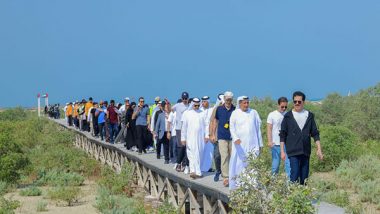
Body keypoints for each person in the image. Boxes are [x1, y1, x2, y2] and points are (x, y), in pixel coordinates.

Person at [280, 91, 324, 185]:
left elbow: (315, 133)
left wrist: (319, 149)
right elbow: (282, 135)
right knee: (294, 174)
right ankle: (292, 197)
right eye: (295, 101)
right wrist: (282, 151)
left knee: (304, 177)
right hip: (293, 151)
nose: (297, 103)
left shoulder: (309, 115)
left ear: (303, 102)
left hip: (305, 150)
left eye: (299, 102)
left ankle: (302, 198)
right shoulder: (288, 116)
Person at [229, 96, 263, 190]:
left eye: (247, 103)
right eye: (244, 103)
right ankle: (240, 183)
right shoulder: (235, 113)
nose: (246, 105)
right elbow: (231, 127)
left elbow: (257, 129)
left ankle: (253, 184)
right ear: (240, 104)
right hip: (240, 145)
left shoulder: (253, 112)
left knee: (253, 162)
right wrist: (235, 138)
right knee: (240, 164)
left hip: (253, 144)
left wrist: (260, 144)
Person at [212, 91, 235, 187]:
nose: (228, 101)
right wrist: (212, 134)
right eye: (227, 99)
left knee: (233, 157)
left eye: (230, 99)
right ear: (224, 99)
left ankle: (233, 176)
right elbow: (215, 121)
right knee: (224, 156)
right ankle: (225, 177)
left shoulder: (235, 109)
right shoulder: (219, 109)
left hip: (232, 137)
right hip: (221, 136)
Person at [181, 98, 207, 179]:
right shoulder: (187, 114)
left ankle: (194, 170)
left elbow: (206, 125)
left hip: (200, 138)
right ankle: (195, 171)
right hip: (190, 138)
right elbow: (184, 127)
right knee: (191, 154)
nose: (197, 107)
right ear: (192, 105)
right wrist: (183, 138)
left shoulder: (202, 113)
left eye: (198, 105)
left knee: (199, 154)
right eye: (195, 105)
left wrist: (207, 136)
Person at [267, 97, 291, 177]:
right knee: (275, 165)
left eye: (285, 107)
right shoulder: (272, 115)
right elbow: (269, 128)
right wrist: (270, 141)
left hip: (287, 143)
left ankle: (290, 184)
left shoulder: (288, 115)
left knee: (288, 164)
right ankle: (274, 183)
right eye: (282, 106)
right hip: (276, 143)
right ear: (278, 105)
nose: (284, 108)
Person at [172, 92, 190, 172]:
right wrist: (168, 105)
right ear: (181, 98)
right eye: (183, 98)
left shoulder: (190, 106)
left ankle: (184, 164)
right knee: (181, 147)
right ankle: (179, 163)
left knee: (187, 147)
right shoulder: (178, 105)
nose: (185, 100)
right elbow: (170, 110)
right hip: (179, 128)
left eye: (186, 98)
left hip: (187, 129)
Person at [209, 94, 223, 182]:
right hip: (218, 136)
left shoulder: (232, 109)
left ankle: (226, 174)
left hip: (228, 137)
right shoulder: (216, 109)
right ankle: (218, 170)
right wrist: (211, 134)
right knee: (217, 155)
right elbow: (212, 122)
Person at [200, 96, 214, 172]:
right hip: (201, 134)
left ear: (208, 102)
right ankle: (200, 167)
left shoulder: (211, 110)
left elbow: (210, 123)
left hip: (209, 134)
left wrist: (208, 135)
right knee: (201, 151)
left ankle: (207, 168)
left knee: (209, 151)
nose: (203, 103)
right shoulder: (199, 110)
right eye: (202, 101)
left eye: (204, 102)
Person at [167, 99, 180, 165]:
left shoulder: (183, 112)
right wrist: (168, 132)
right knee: (174, 148)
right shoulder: (173, 113)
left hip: (181, 134)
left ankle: (179, 161)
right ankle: (175, 161)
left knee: (180, 148)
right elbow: (169, 122)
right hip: (174, 133)